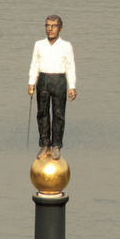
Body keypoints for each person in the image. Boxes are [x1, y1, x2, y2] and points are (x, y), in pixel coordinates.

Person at [28, 15, 77, 160]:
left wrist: (72, 86)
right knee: (42, 114)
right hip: (43, 80)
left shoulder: (66, 46)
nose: (50, 29)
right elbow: (34, 64)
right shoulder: (39, 44)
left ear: (60, 28)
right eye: (47, 26)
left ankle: (56, 145)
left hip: (59, 81)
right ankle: (44, 145)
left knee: (58, 115)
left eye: (54, 26)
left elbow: (70, 66)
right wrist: (31, 82)